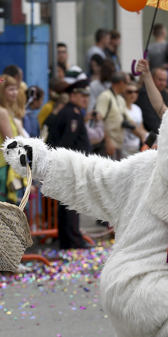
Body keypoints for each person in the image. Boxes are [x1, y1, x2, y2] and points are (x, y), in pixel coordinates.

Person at [46, 78, 95, 248]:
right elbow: (66, 143)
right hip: (70, 166)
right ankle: (73, 239)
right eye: (82, 96)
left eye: (87, 96)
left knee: (68, 204)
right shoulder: (72, 114)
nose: (85, 99)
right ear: (72, 96)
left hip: (68, 165)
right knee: (72, 203)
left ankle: (68, 239)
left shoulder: (71, 112)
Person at [0, 76, 25, 199]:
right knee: (7, 204)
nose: (15, 93)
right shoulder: (2, 111)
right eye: (11, 89)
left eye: (16, 89)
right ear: (2, 92)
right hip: (3, 166)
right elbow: (11, 142)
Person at [94, 71, 131, 159]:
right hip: (107, 145)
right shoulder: (105, 96)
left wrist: (143, 136)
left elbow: (130, 121)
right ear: (121, 82)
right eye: (127, 83)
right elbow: (98, 118)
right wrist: (108, 141)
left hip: (118, 145)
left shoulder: (120, 99)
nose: (127, 87)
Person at [134, 61, 168, 134]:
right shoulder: (143, 93)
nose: (162, 83)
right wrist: (147, 75)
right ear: (153, 78)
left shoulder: (166, 94)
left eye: (164, 80)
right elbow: (159, 110)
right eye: (160, 79)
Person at [120, 81, 148, 159]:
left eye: (136, 92)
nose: (133, 94)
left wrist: (152, 137)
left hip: (136, 148)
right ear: (124, 93)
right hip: (123, 148)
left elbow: (141, 128)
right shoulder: (121, 108)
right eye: (130, 92)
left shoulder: (137, 108)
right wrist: (143, 137)